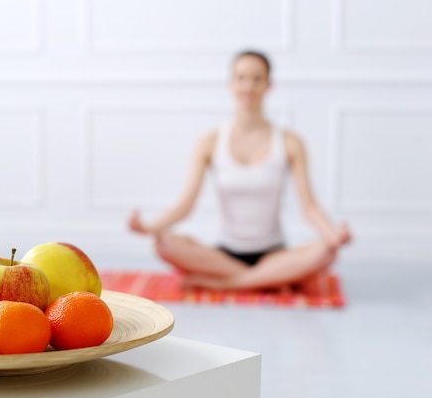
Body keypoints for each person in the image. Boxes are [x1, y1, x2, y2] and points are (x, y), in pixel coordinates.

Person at [128, 50, 351, 291]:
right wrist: (150, 227)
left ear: (268, 85)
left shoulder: (289, 142)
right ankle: (270, 280)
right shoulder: (210, 141)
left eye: (257, 79)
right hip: (223, 254)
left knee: (326, 253)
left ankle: (228, 284)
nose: (249, 86)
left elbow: (309, 207)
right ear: (231, 83)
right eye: (241, 77)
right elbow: (185, 205)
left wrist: (332, 235)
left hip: (273, 253)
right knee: (164, 244)